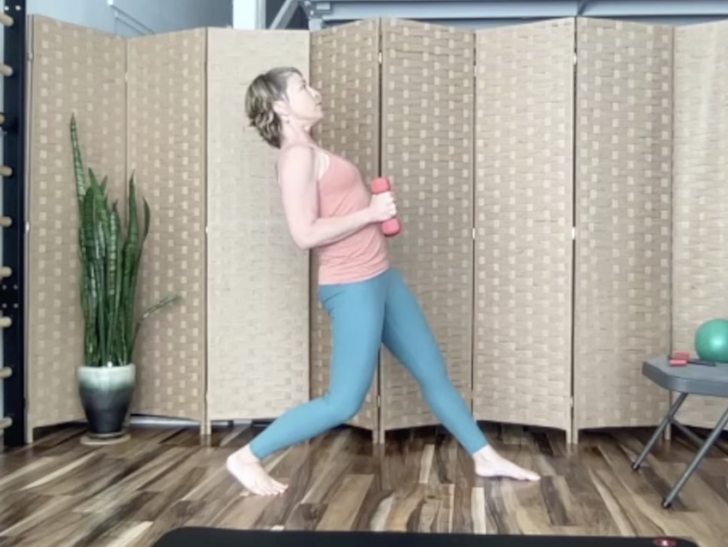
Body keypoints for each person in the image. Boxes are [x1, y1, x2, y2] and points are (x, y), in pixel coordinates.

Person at [224, 66, 541, 496]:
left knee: (432, 370)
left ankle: (484, 456)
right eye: (302, 87)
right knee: (344, 401)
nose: (315, 91)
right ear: (281, 106)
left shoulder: (313, 150)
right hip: (351, 285)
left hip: (380, 276)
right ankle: (246, 457)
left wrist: (371, 215)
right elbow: (304, 234)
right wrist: (370, 214)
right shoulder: (296, 156)